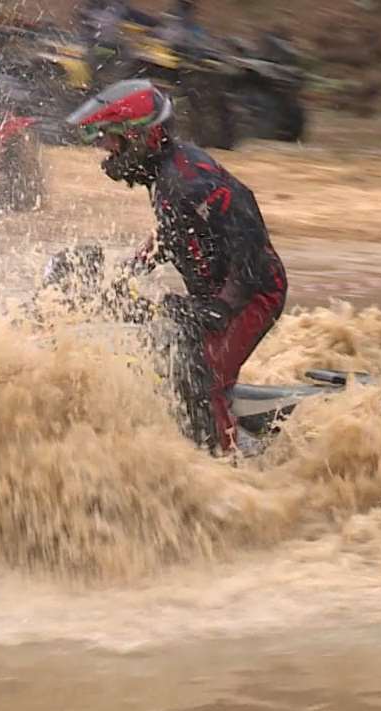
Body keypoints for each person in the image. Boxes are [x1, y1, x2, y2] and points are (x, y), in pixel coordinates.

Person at [65, 79, 288, 456]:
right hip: (214, 295)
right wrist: (124, 277)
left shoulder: (188, 180)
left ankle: (222, 467)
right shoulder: (164, 176)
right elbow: (170, 235)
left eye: (110, 138)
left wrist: (224, 304)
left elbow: (248, 228)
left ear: (141, 137)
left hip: (255, 294)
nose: (103, 147)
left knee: (199, 373)